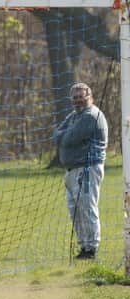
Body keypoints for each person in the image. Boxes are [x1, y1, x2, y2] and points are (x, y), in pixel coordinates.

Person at [53, 82, 108, 260]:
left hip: (87, 169)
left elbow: (68, 139)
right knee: (74, 209)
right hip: (72, 171)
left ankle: (91, 248)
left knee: (86, 207)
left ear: (89, 96)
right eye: (75, 97)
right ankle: (84, 246)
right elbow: (56, 135)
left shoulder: (90, 116)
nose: (78, 100)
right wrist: (64, 134)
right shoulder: (74, 115)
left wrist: (64, 134)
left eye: (81, 96)